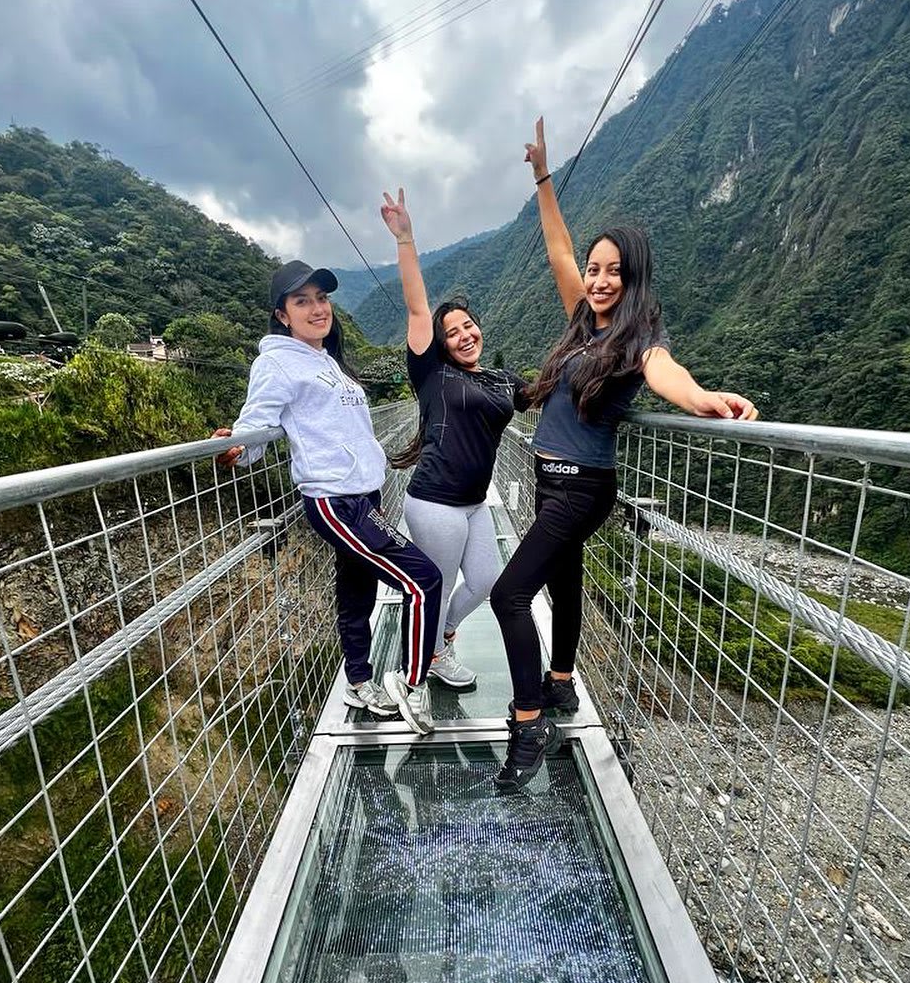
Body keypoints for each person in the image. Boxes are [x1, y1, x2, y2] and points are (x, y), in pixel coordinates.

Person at [491, 119, 759, 791]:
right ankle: (558, 684)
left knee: (509, 592)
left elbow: (666, 371)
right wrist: (542, 176)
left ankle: (529, 723)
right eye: (595, 268)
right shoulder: (583, 320)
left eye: (613, 270)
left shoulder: (641, 334)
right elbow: (556, 247)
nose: (600, 279)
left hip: (583, 485)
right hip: (549, 478)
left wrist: (702, 399)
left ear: (633, 275)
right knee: (565, 580)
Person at [214, 259, 442, 736]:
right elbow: (258, 423)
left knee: (357, 592)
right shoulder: (275, 361)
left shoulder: (327, 361)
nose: (317, 309)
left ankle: (358, 681)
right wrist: (237, 447)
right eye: (303, 301)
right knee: (422, 579)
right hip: (335, 500)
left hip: (365, 495)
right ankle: (412, 682)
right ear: (282, 314)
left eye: (321, 299)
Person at [380, 188, 531, 690]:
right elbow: (418, 310)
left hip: (474, 502)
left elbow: (549, 392)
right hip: (436, 502)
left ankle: (441, 639)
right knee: (435, 588)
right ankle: (415, 676)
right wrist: (406, 239)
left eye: (470, 326)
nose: (464, 335)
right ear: (441, 344)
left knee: (486, 581)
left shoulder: (500, 380)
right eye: (453, 332)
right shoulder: (433, 376)